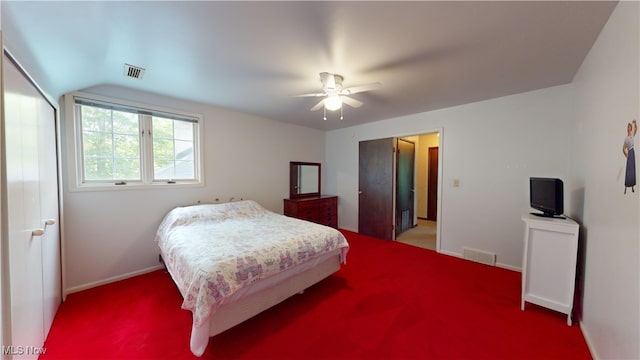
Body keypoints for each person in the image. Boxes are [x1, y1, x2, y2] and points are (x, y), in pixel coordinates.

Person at [623, 119, 637, 194]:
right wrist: (626, 155)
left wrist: (635, 123)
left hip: (632, 152)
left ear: (631, 128)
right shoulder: (626, 138)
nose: (628, 128)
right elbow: (623, 148)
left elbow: (636, 128)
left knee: (632, 170)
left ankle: (632, 187)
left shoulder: (632, 135)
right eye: (627, 127)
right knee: (628, 170)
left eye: (629, 126)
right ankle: (626, 187)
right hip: (629, 154)